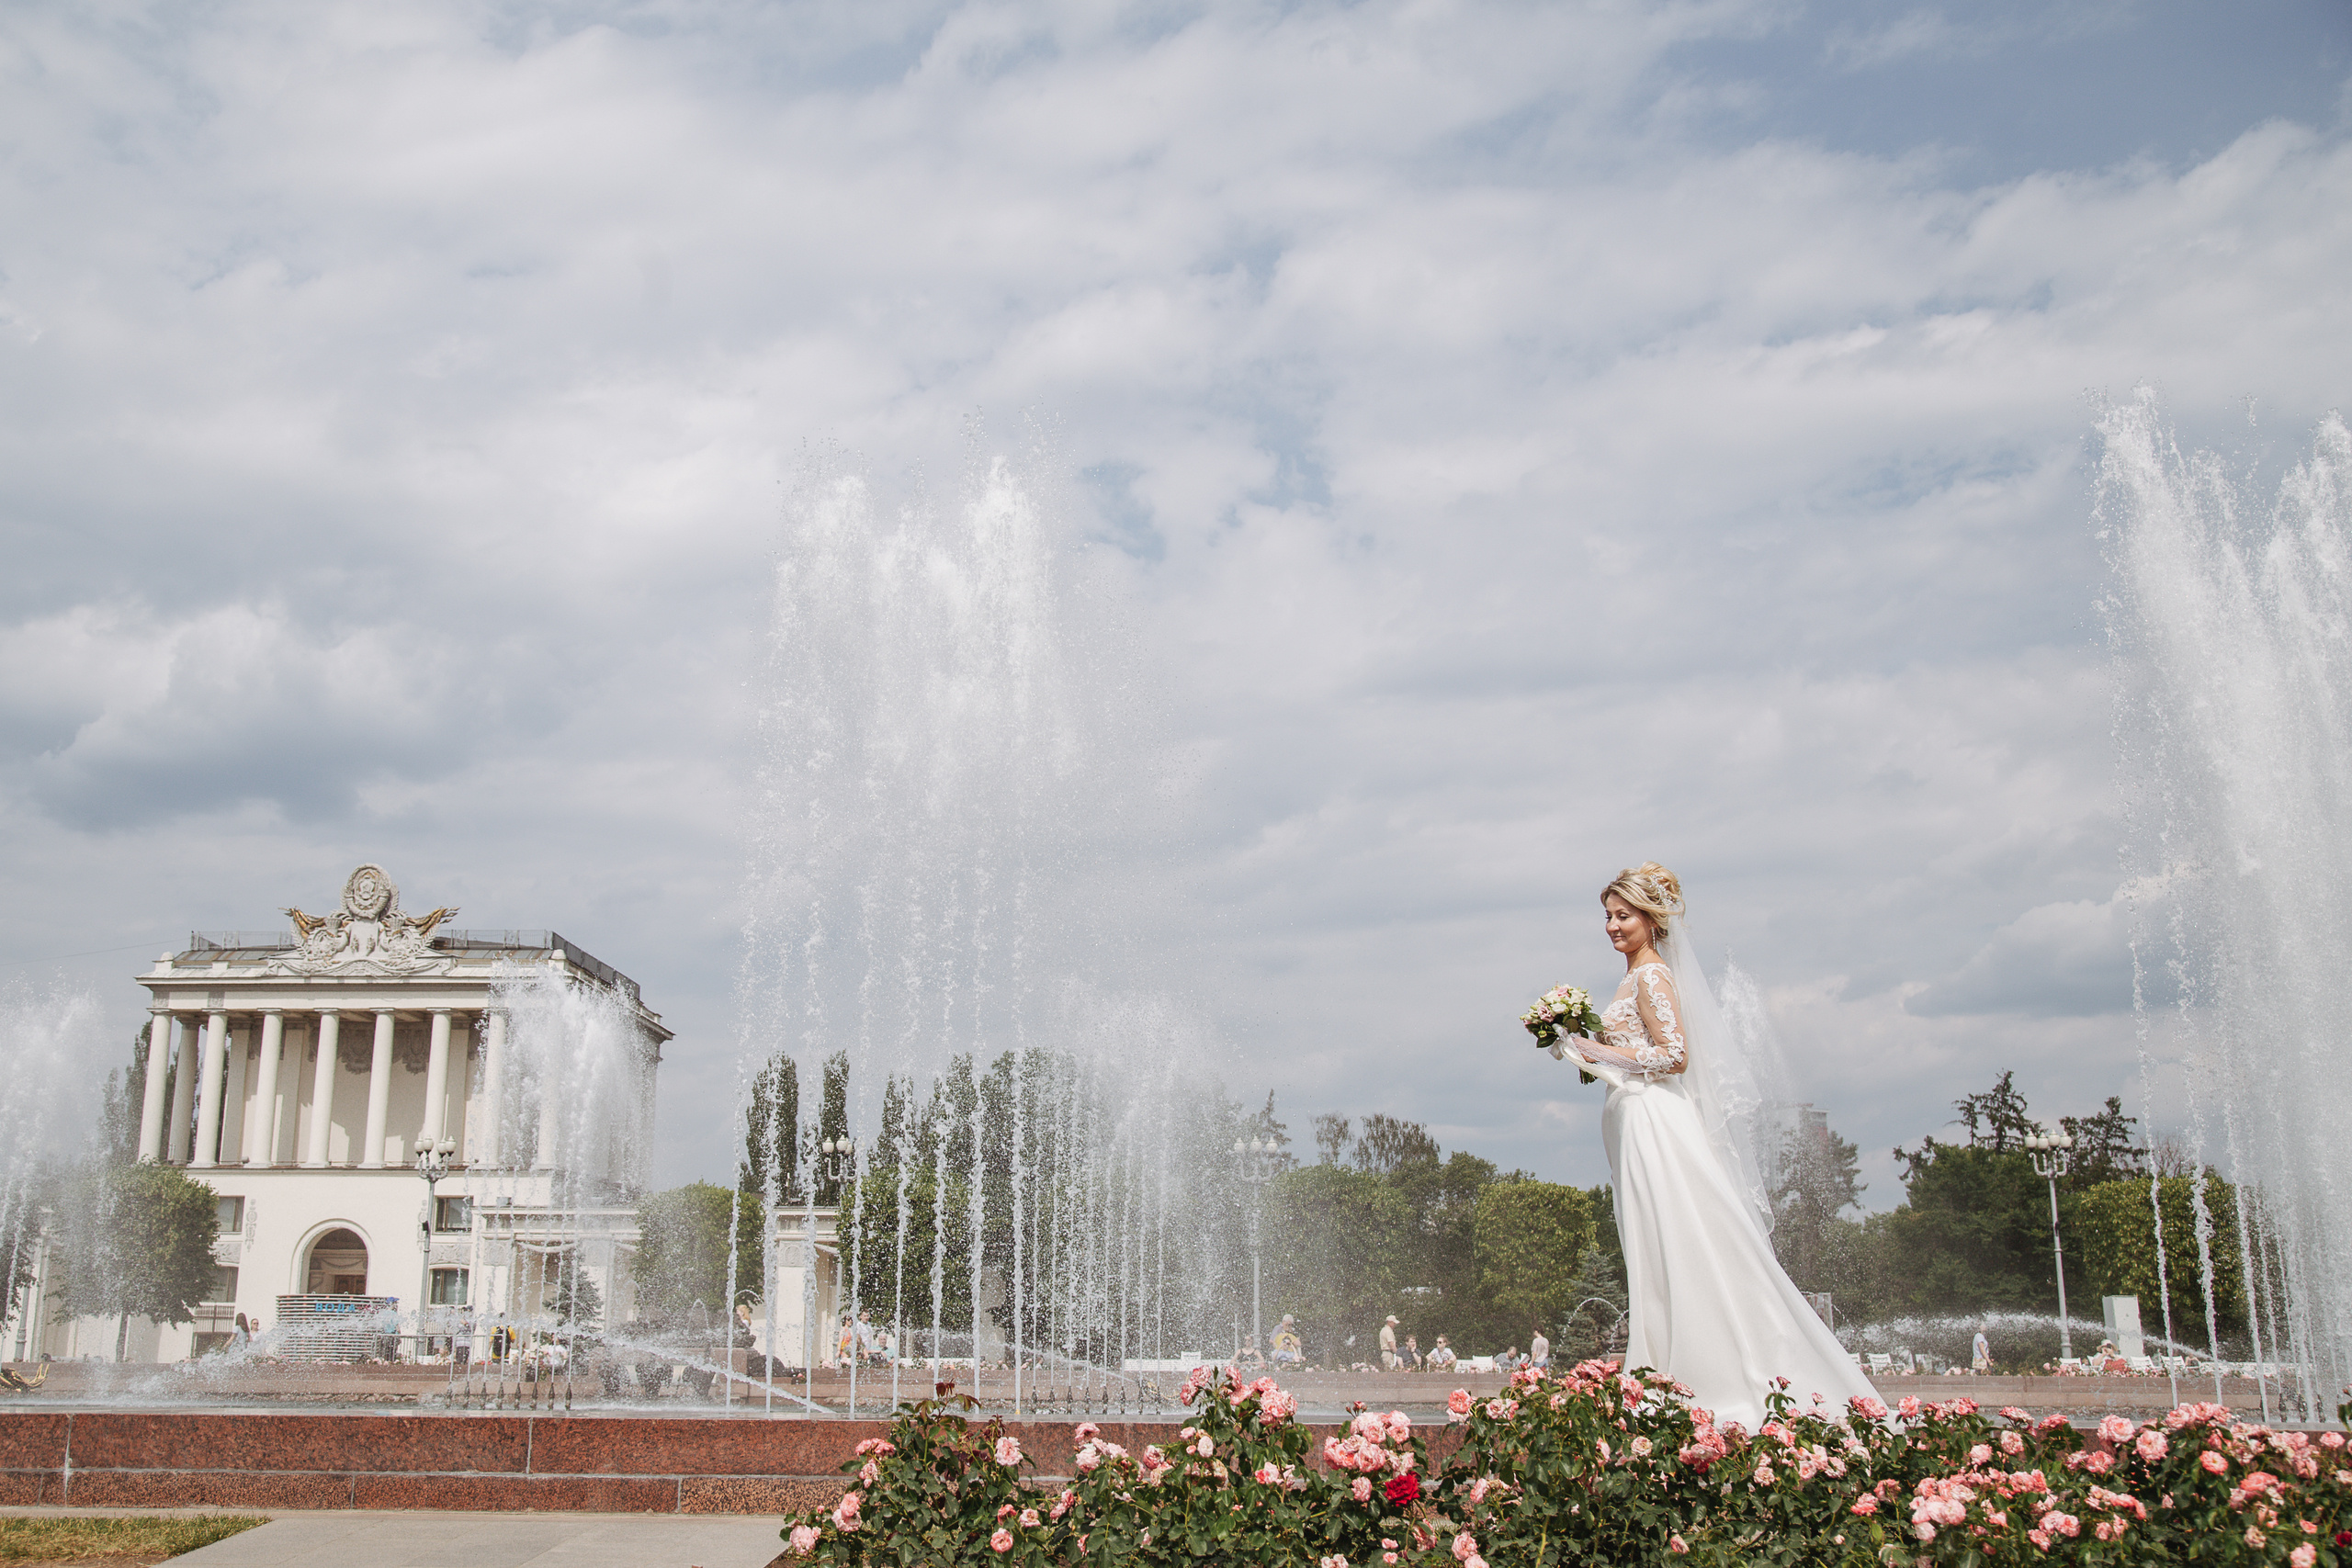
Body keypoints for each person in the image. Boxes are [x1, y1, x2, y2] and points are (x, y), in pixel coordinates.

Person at [1553, 863, 1879, 1432]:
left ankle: (1706, 1373)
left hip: (1656, 1122)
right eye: (1607, 915)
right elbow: (1636, 1048)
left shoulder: (1652, 976)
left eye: (1622, 915)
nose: (1611, 926)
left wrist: (1600, 1053)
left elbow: (1674, 1056)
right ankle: (1666, 1368)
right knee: (1657, 1244)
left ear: (1652, 921)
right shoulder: (1633, 978)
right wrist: (1582, 1046)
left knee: (1683, 1238)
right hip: (1634, 1121)